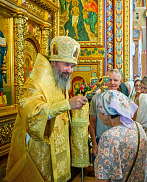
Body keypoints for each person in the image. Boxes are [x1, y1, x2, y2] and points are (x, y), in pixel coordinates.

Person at [5, 36, 88, 181]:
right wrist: (68, 104)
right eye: (66, 65)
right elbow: (33, 114)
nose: (70, 70)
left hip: (58, 147)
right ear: (53, 62)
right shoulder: (35, 84)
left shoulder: (58, 80)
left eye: (73, 66)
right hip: (38, 150)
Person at [95, 90, 147, 181]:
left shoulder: (109, 137)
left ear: (106, 112)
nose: (98, 114)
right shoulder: (138, 127)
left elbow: (102, 177)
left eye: (99, 110)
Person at [89, 69, 122, 167]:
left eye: (115, 80)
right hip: (101, 140)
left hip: (118, 140)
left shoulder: (123, 99)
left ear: (120, 82)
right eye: (109, 79)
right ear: (105, 81)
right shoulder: (96, 98)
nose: (112, 83)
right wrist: (94, 144)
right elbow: (92, 122)